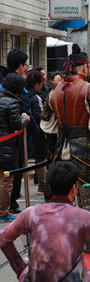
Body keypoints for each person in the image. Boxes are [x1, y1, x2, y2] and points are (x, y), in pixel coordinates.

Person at [41, 45, 90, 214]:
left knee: (63, 201)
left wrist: (50, 155)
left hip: (61, 153)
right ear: (85, 67)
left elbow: (48, 129)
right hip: (89, 154)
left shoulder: (53, 92)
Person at [0, 74, 30, 222]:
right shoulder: (12, 102)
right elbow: (16, 124)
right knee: (6, 180)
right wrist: (25, 118)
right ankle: (3, 213)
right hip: (6, 147)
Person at [25, 70, 48, 195]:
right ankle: (43, 184)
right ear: (37, 84)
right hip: (38, 132)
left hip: (27, 134)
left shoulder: (25, 95)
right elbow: (41, 116)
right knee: (41, 158)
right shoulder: (37, 97)